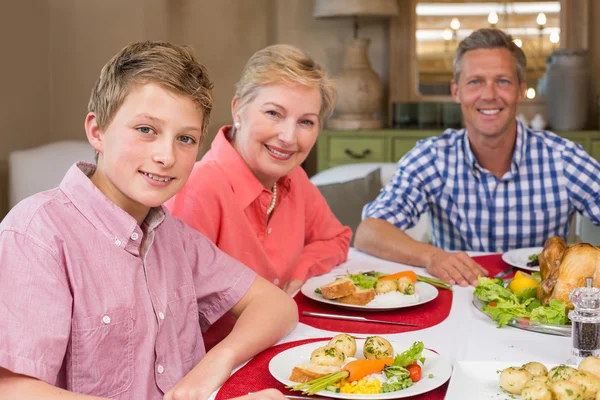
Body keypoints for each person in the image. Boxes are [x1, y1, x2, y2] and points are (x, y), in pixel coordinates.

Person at [0, 41, 297, 400]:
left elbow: (277, 305)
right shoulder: (37, 235)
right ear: (97, 131)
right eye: (145, 129)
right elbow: (12, 389)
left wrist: (215, 362)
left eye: (185, 139)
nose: (166, 156)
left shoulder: (174, 237)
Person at [355, 28, 600, 287]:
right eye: (475, 82)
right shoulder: (432, 158)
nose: (489, 94)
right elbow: (370, 232)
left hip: (539, 314)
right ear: (456, 91)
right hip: (458, 304)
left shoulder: (563, 159)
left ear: (520, 90)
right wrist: (433, 257)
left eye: (503, 81)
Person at [166, 44, 352, 296]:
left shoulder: (294, 178)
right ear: (238, 110)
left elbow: (335, 239)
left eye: (306, 122)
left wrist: (300, 272)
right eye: (274, 113)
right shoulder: (200, 185)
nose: (288, 137)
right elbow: (179, 305)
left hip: (286, 330)